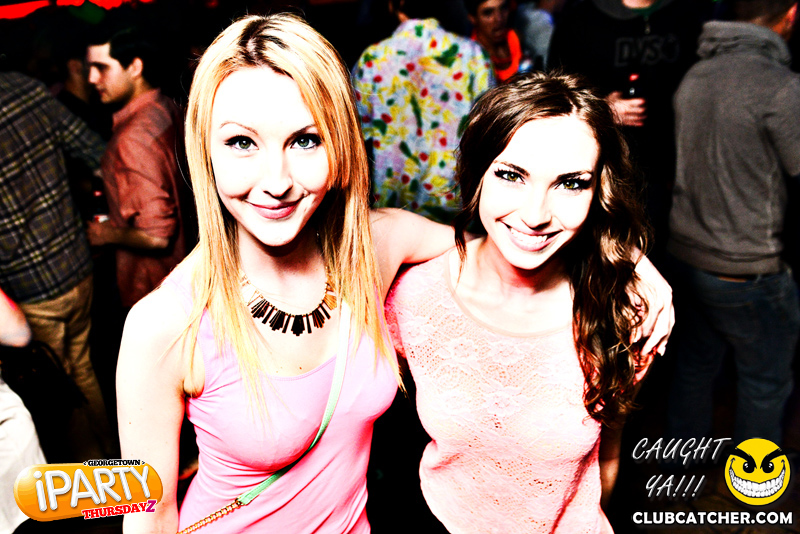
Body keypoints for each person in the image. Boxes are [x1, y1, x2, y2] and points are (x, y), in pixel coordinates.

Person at [118, 14, 672, 534]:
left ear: (341, 144)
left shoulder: (376, 245)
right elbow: (139, 511)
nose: (277, 181)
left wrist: (626, 261)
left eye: (306, 140)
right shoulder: (161, 324)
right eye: (241, 143)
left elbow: (500, 241)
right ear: (204, 150)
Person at [385, 72, 668, 533]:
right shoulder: (413, 299)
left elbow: (609, 454)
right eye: (511, 175)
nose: (536, 215)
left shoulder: (629, 314)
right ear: (477, 174)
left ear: (598, 191)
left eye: (570, 183)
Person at [666, 0, 800, 446]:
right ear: (790, 15)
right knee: (765, 383)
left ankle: (678, 469)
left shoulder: (696, 75)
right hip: (747, 269)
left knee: (694, 368)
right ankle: (754, 480)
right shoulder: (780, 87)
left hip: (687, 259)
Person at [0, 70, 115, 462]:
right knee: (82, 368)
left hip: (29, 286)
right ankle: (113, 461)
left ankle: (92, 479)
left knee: (59, 386)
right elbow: (99, 154)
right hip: (77, 264)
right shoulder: (28, 89)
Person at [548, 0, 713, 256]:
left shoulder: (684, 14)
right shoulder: (581, 17)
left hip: (672, 172)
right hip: (605, 168)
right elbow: (554, 93)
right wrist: (600, 107)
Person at [352, 0, 495, 223]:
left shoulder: (372, 60)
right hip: (453, 206)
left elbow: (358, 137)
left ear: (393, 5)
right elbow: (489, 133)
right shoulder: (473, 56)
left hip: (393, 208)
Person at [86, 27, 188, 310]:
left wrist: (105, 234)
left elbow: (157, 237)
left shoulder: (131, 138)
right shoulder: (165, 106)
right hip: (185, 270)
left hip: (154, 287)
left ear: (135, 67)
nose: (91, 78)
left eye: (101, 68)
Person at [466, 0, 528, 81]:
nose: (499, 19)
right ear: (473, 18)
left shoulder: (515, 38)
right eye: (488, 13)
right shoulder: (471, 57)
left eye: (503, 8)